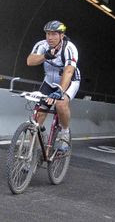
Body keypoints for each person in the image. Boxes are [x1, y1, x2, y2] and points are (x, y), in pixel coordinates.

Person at [26, 20, 80, 152]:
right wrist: (45, 56)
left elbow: (68, 71)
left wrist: (60, 90)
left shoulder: (69, 48)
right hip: (49, 82)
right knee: (38, 115)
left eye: (54, 34)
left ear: (61, 35)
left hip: (69, 81)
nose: (50, 37)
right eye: (48, 34)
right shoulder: (42, 45)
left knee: (60, 104)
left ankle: (65, 133)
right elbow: (29, 61)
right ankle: (32, 153)